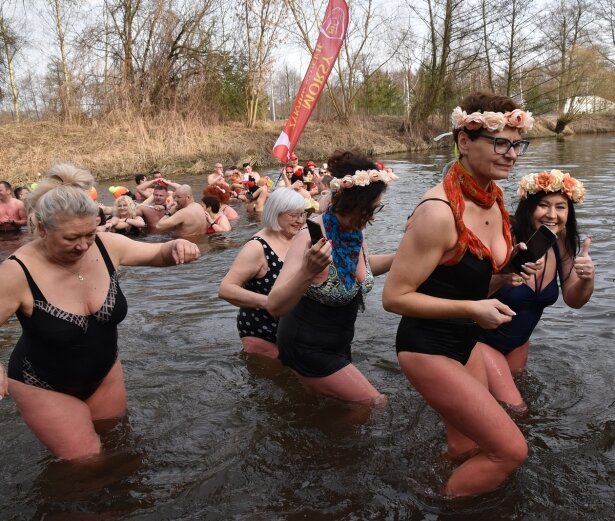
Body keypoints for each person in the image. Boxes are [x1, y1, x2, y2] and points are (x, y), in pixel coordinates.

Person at [382, 92, 537, 497]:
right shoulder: (437, 211)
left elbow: (462, 281)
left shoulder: (494, 198)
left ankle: (420, 487)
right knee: (510, 451)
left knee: (465, 445)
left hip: (464, 340)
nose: (512, 154)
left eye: (517, 143)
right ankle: (446, 506)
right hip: (426, 346)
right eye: (500, 142)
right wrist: (473, 307)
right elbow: (394, 297)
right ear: (464, 141)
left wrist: (503, 278)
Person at [0, 163, 200, 460]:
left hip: (104, 372)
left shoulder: (106, 245)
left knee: (119, 445)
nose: (83, 246)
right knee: (88, 464)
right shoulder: (16, 272)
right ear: (41, 228)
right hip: (42, 383)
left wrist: (177, 247)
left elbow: (157, 254)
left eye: (89, 234)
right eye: (70, 238)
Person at [267, 151, 396, 403]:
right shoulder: (310, 237)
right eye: (368, 209)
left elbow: (365, 270)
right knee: (373, 403)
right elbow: (274, 305)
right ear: (348, 202)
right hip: (305, 346)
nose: (372, 216)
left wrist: (402, 255)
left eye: (375, 208)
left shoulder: (355, 232)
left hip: (338, 344)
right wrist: (307, 271)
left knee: (325, 408)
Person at [476, 169, 594, 409]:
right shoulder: (505, 235)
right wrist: (505, 272)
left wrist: (587, 278)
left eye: (560, 207)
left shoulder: (561, 242)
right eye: (543, 205)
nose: (552, 215)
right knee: (518, 410)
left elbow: (574, 299)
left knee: (511, 405)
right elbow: (468, 295)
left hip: (518, 342)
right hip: (480, 340)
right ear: (528, 207)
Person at [219, 188, 308, 358]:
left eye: (302, 214)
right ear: (275, 213)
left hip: (294, 328)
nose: (299, 220)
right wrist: (270, 302)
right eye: (293, 215)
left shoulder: (299, 238)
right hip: (262, 330)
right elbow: (226, 289)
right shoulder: (257, 247)